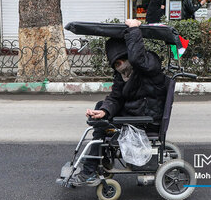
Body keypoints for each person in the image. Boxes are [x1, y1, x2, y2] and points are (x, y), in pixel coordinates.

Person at [69, 19, 168, 186]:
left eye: (122, 60)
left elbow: (138, 60)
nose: (121, 66)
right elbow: (116, 97)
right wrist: (105, 111)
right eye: (116, 64)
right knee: (100, 108)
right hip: (136, 112)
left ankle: (89, 170)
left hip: (146, 119)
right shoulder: (123, 75)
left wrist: (134, 30)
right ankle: (96, 162)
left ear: (129, 54)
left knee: (101, 124)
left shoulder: (148, 65)